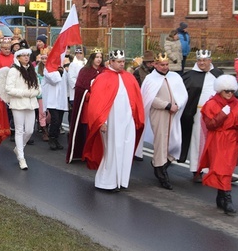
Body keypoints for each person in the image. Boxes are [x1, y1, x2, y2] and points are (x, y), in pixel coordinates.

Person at [83, 50, 144, 191]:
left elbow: (136, 99)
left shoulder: (129, 78)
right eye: (119, 61)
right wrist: (101, 122)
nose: (122, 64)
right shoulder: (103, 78)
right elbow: (96, 103)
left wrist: (136, 119)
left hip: (127, 121)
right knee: (112, 151)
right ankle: (106, 182)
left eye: (123, 61)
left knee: (126, 150)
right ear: (111, 62)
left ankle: (121, 180)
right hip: (111, 122)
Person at [198, 75, 238, 215]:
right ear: (220, 90)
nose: (229, 94)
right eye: (226, 91)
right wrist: (222, 115)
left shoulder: (236, 103)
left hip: (232, 140)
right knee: (222, 169)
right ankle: (227, 200)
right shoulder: (211, 104)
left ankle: (221, 197)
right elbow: (210, 125)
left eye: (232, 91)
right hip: (218, 139)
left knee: (227, 170)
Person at [138, 52, 188, 189]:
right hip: (159, 114)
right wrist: (166, 105)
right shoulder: (150, 79)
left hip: (174, 113)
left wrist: (179, 105)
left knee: (175, 141)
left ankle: (161, 163)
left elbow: (183, 93)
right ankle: (161, 172)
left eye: (167, 64)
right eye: (162, 65)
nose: (165, 67)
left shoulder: (175, 77)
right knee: (161, 141)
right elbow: (149, 98)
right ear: (155, 64)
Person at [180, 50, 224, 182]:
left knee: (217, 143)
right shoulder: (190, 76)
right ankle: (197, 170)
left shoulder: (218, 74)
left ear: (210, 60)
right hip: (198, 115)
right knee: (198, 142)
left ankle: (220, 170)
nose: (202, 63)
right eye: (199, 60)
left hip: (216, 115)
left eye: (204, 60)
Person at [4, 48, 40, 170]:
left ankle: (19, 148)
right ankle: (21, 158)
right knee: (19, 130)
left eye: (27, 55)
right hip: (18, 103)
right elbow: (9, 89)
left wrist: (35, 92)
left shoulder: (31, 69)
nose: (26, 58)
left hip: (31, 103)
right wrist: (24, 93)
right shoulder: (14, 70)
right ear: (18, 57)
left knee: (29, 130)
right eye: (23, 56)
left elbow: (38, 86)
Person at [66, 50, 105, 163]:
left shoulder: (104, 71)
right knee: (87, 129)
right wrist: (88, 95)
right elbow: (79, 87)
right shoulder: (84, 71)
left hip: (101, 106)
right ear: (92, 58)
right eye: (96, 57)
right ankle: (86, 153)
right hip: (88, 106)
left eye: (100, 57)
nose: (99, 59)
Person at [41, 53, 69, 151]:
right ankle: (52, 138)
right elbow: (54, 80)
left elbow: (65, 82)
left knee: (59, 121)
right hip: (52, 100)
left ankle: (56, 138)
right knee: (55, 120)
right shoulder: (47, 69)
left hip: (61, 99)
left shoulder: (61, 68)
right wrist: (59, 72)